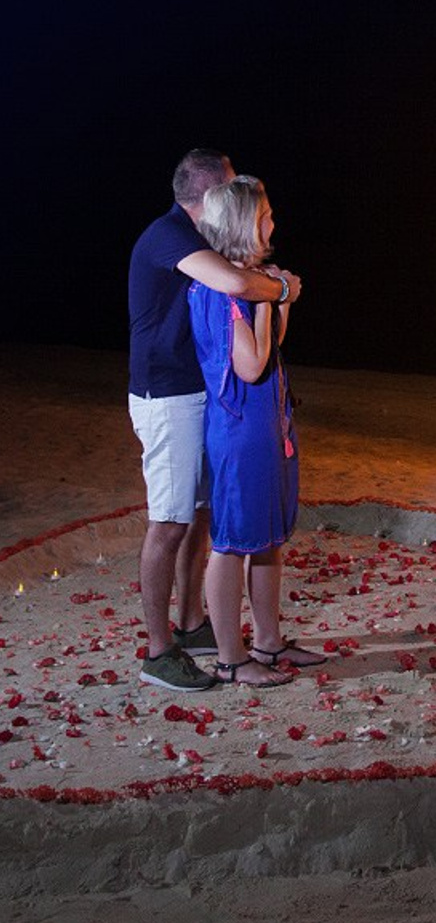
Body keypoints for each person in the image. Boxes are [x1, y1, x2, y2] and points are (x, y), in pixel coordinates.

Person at [128, 149, 301, 692]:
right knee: (170, 521)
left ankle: (192, 623)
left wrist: (267, 287)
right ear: (212, 198)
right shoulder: (169, 235)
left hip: (201, 392)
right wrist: (281, 290)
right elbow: (236, 286)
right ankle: (159, 651)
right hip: (167, 396)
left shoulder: (199, 239)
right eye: (231, 187)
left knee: (203, 516)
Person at [189, 175, 323, 687]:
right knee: (230, 542)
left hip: (267, 424)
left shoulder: (248, 279)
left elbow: (271, 346)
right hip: (240, 430)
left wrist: (277, 300)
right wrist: (270, 298)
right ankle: (230, 657)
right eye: (264, 215)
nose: (272, 222)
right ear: (243, 223)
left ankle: (268, 641)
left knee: (266, 538)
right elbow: (250, 366)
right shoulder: (222, 288)